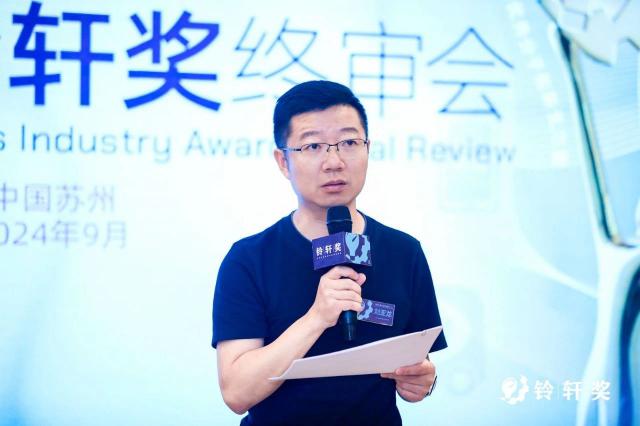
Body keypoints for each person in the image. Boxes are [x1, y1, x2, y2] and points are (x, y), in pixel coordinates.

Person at [212, 80, 447, 425]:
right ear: (283, 161)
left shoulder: (404, 252)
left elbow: (419, 363)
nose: (334, 161)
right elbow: (236, 393)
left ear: (368, 149)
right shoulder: (249, 259)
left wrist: (423, 380)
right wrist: (317, 317)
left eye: (349, 143)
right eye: (313, 146)